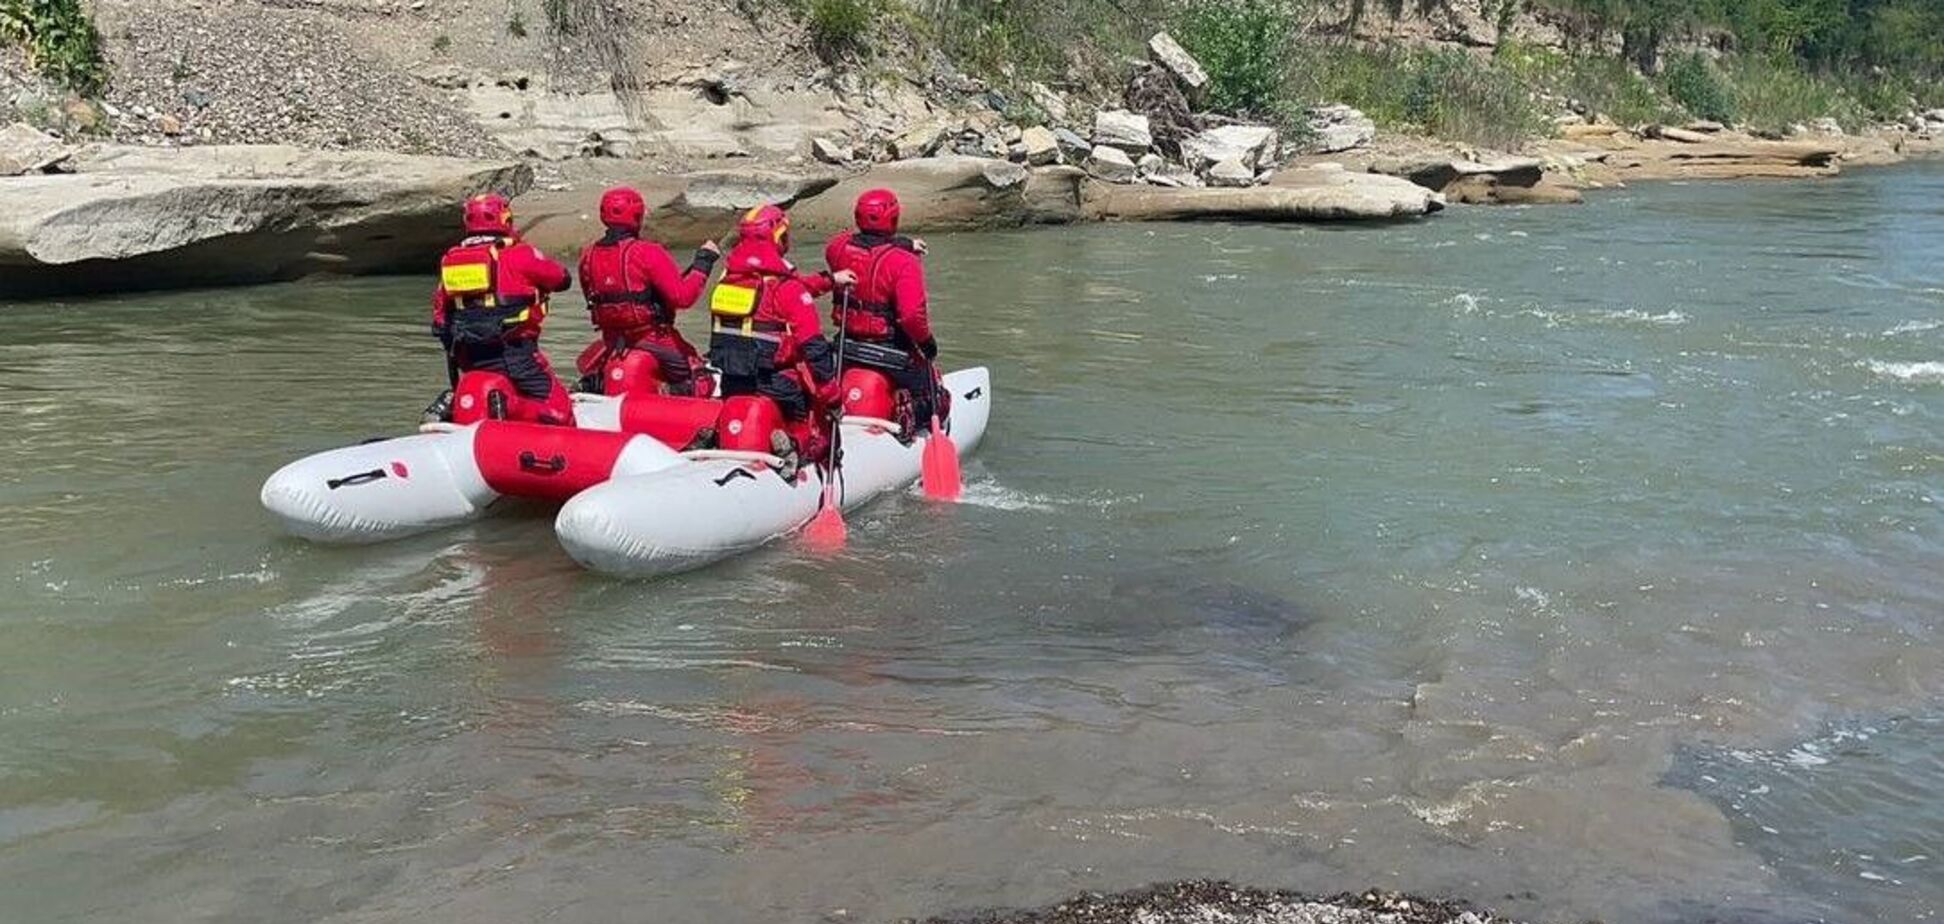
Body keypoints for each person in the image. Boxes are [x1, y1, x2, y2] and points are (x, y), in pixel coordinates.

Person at [702, 204, 853, 461]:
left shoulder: (728, 277)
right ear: (778, 238)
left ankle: (726, 436)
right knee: (816, 422)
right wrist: (833, 397)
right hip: (779, 384)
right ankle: (796, 445)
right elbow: (814, 347)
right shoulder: (785, 287)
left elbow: (794, 288)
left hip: (733, 380)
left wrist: (829, 280)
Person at [430, 193, 575, 425]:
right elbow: (562, 279)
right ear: (505, 219)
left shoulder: (452, 260)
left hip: (467, 356)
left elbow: (440, 316)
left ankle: (456, 404)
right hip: (513, 352)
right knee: (561, 413)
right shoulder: (521, 255)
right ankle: (508, 406)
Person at [575, 187, 721, 396]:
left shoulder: (588, 256)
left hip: (613, 339)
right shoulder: (648, 252)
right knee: (701, 379)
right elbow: (683, 297)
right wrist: (704, 262)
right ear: (638, 216)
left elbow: (593, 298)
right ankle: (667, 394)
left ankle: (594, 385)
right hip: (652, 337)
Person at [822, 188, 948, 431]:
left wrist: (905, 243)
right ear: (894, 218)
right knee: (936, 399)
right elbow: (912, 316)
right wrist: (927, 343)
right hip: (891, 353)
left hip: (845, 348)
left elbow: (854, 239)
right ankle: (913, 415)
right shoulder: (904, 262)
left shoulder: (836, 248)